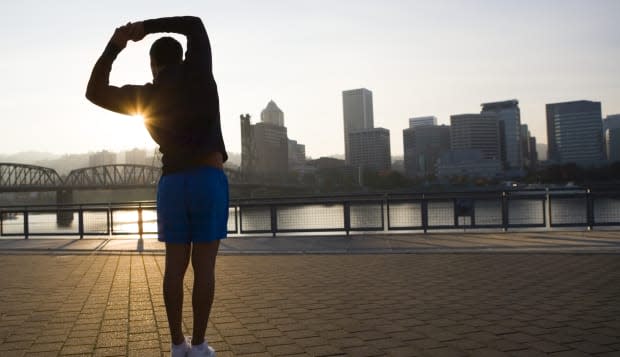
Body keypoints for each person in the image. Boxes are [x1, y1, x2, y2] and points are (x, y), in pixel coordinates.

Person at [86, 16, 228, 357]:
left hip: (173, 184)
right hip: (208, 179)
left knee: (174, 268)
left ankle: (177, 345)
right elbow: (194, 24)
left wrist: (115, 45)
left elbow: (94, 91)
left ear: (153, 66)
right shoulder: (199, 72)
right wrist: (145, 27)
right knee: (204, 267)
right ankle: (200, 345)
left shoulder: (146, 96)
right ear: (181, 56)